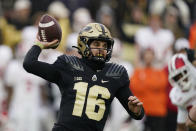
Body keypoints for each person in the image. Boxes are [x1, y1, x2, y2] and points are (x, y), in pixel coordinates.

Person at [23, 22, 144, 131]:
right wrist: (38, 45)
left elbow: (137, 113)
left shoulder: (116, 73)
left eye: (104, 45)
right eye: (96, 43)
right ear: (83, 43)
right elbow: (29, 64)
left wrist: (137, 111)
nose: (101, 49)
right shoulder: (68, 65)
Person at [168, 53, 196, 131]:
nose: (181, 80)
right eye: (177, 77)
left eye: (183, 74)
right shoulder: (178, 95)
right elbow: (181, 127)